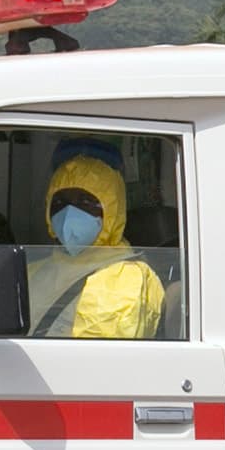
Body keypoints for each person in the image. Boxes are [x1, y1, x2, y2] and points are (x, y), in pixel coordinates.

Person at [32, 142, 168, 339]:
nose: (69, 213)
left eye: (85, 202)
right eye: (60, 202)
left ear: (112, 209)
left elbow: (93, 361)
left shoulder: (128, 278)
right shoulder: (32, 271)